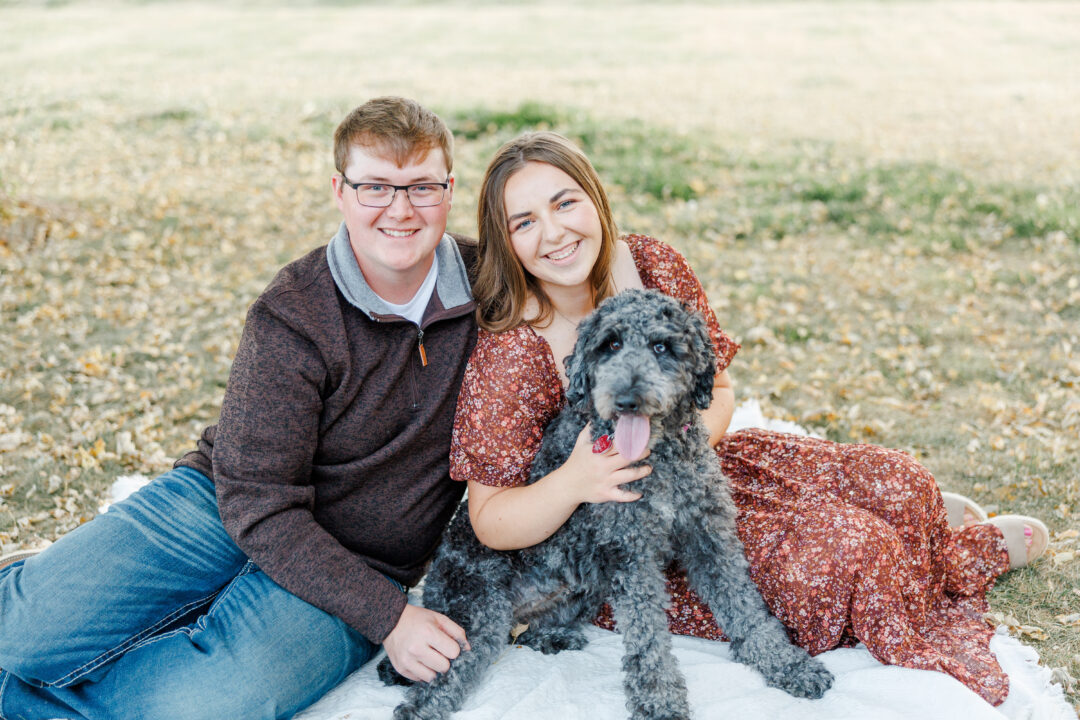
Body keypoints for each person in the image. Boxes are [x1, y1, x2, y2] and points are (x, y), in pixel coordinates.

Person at [449, 130, 1050, 706]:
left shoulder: (653, 264)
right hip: (618, 536)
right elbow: (491, 520)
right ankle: (960, 550)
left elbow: (720, 391)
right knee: (852, 558)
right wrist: (577, 478)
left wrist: (676, 447)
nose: (553, 232)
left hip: (700, 465)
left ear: (595, 199)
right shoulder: (513, 349)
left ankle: (914, 514)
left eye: (564, 203)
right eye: (524, 222)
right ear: (506, 242)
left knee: (902, 479)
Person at [0, 97, 477, 719]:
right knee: (23, 631)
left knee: (194, 709)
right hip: (221, 505)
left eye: (421, 187)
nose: (401, 209)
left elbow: (591, 257)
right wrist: (395, 620)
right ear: (339, 189)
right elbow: (256, 498)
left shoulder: (492, 284)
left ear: (448, 189)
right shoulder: (294, 311)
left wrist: (386, 613)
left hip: (362, 564)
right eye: (375, 187)